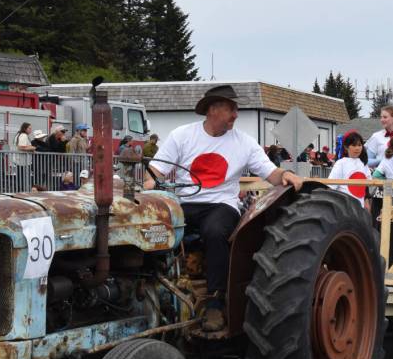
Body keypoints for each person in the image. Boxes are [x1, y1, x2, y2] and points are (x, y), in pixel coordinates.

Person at [145, 85, 304, 332]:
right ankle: (152, 290)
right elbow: (154, 172)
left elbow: (271, 173)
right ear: (213, 110)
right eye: (232, 108)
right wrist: (147, 192)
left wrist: (287, 175)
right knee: (152, 226)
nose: (236, 114)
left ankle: (215, 303)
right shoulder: (182, 135)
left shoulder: (244, 143)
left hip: (222, 204)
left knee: (216, 230)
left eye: (236, 109)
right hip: (185, 202)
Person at [327, 131, 370, 209]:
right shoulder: (341, 163)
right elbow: (331, 186)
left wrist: (366, 201)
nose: (357, 148)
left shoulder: (363, 163)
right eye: (353, 145)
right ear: (346, 147)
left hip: (360, 208)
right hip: (344, 208)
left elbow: (366, 186)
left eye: (359, 145)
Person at [12, 122, 36, 191]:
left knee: (21, 179)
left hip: (21, 161)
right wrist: (32, 148)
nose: (30, 130)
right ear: (25, 128)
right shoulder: (23, 135)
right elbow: (21, 147)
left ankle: (20, 191)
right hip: (23, 162)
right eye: (29, 128)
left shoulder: (19, 135)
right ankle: (22, 192)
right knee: (23, 180)